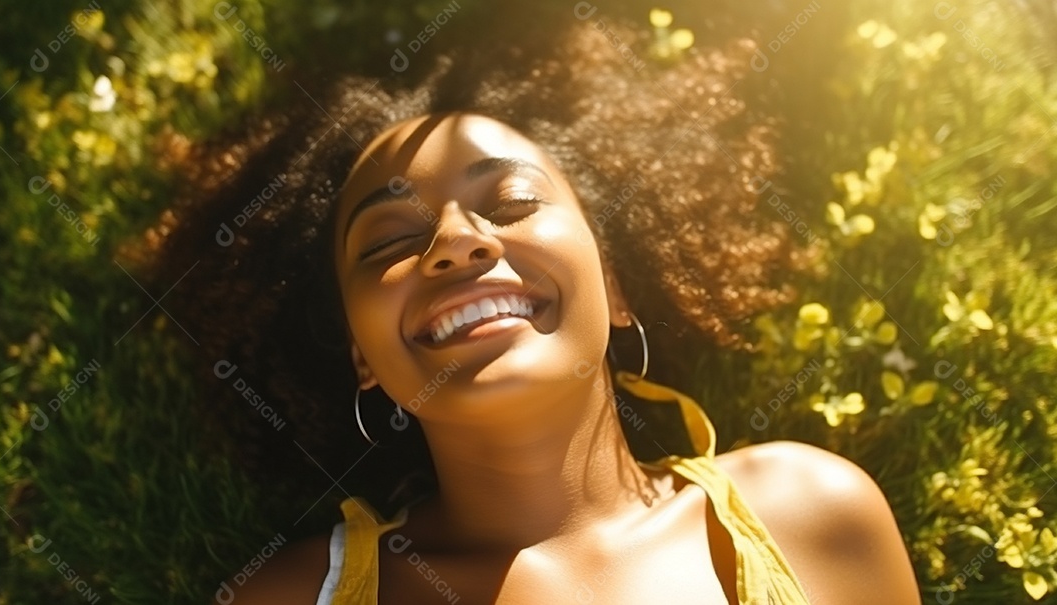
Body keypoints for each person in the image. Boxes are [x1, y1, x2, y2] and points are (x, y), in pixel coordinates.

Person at [143, 4, 921, 603]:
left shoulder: (814, 512)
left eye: (511, 201)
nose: (456, 241)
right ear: (360, 354)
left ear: (615, 285)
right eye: (387, 242)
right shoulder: (287, 597)